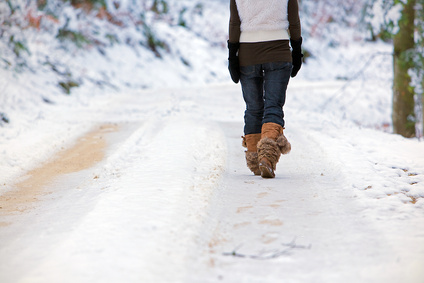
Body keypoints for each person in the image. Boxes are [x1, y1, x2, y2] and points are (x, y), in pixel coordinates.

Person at [228, 0, 303, 178]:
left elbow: (234, 22)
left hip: (247, 53)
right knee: (273, 106)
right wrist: (297, 49)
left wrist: (232, 55)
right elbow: (294, 19)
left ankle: (255, 159)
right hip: (278, 51)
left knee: (253, 107)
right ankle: (267, 158)